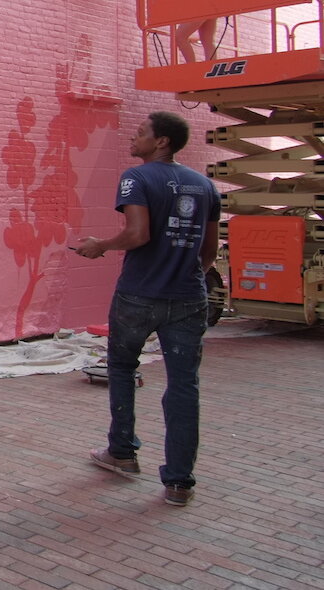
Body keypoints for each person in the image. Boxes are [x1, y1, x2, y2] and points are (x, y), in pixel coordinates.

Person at [75, 110, 220, 507]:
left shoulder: (136, 178)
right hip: (189, 298)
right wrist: (184, 275)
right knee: (184, 385)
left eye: (141, 133)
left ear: (161, 142)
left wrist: (100, 245)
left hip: (138, 295)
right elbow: (210, 251)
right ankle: (178, 483)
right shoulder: (205, 186)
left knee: (122, 367)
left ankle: (121, 452)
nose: (133, 139)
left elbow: (138, 234)